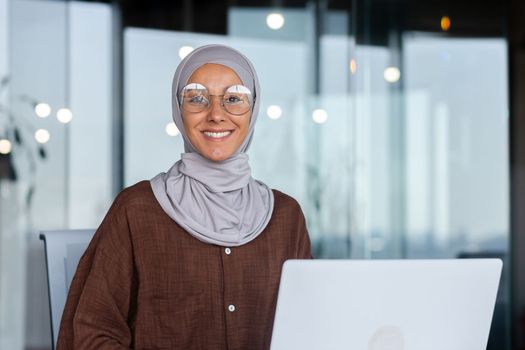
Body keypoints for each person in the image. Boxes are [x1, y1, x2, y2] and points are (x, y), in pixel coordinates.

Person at [57, 44, 312, 350]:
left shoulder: (286, 217)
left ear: (253, 109)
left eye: (234, 99)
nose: (216, 114)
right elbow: (91, 333)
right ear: (179, 111)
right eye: (197, 98)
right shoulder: (137, 210)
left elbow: (310, 326)